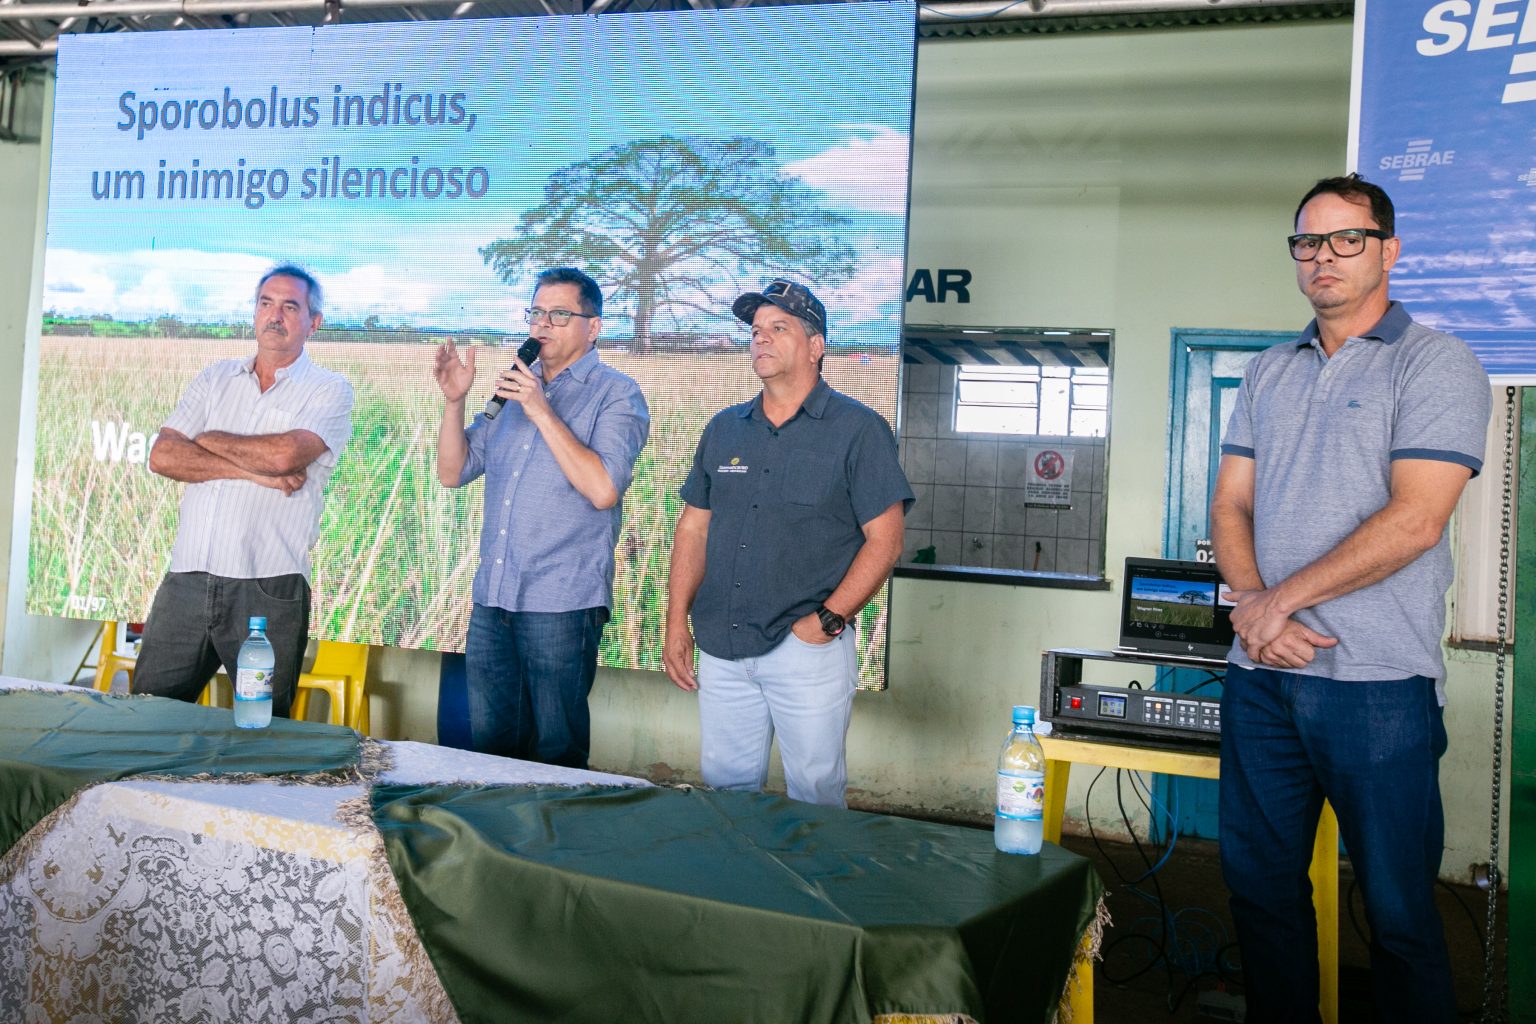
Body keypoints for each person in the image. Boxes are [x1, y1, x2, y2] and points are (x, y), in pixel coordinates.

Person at [1210, 174, 1490, 1024]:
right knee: (1260, 892)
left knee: (1398, 912)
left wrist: (1272, 605)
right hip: (1262, 679)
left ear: (1388, 250)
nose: (1323, 256)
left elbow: (1415, 521)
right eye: (1307, 241)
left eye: (1346, 239)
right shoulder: (1269, 369)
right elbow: (1230, 504)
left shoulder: (1436, 362)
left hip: (1378, 685)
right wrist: (1255, 606)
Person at [662, 279, 912, 807]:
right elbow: (693, 529)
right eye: (756, 330)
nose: (761, 339)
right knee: (726, 794)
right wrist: (675, 622)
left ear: (816, 346)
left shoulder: (859, 430)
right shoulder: (725, 428)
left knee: (815, 796)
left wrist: (827, 621)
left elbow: (885, 542)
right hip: (723, 649)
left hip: (806, 650)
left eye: (779, 328)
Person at [434, 267, 649, 769]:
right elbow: (452, 471)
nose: (542, 325)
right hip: (494, 598)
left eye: (558, 314)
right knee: (492, 748)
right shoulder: (515, 392)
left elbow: (603, 489)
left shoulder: (617, 394)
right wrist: (454, 401)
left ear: (593, 327)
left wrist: (540, 409)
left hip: (562, 602)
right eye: (536, 313)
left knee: (556, 754)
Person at [135, 264, 355, 718]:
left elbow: (285, 456)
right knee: (146, 717)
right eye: (266, 303)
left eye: (290, 306)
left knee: (261, 728)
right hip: (187, 579)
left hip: (268, 587)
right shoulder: (215, 378)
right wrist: (257, 474)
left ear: (313, 322)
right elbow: (162, 456)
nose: (275, 315)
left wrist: (209, 438)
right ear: (255, 312)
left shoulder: (330, 389)